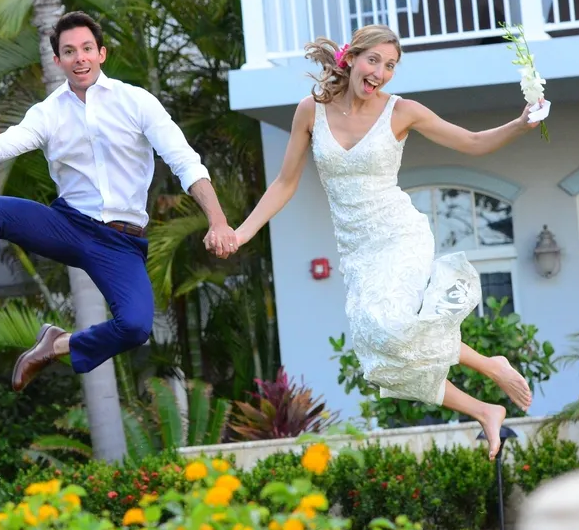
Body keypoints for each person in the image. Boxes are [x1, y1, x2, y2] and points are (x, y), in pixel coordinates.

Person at [229, 25, 542, 458]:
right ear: (352, 59)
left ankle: (492, 367)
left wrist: (521, 124)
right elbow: (284, 184)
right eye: (373, 60)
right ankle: (486, 410)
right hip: (357, 251)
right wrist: (242, 232)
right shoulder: (311, 111)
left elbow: (470, 142)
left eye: (390, 65)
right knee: (383, 356)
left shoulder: (402, 112)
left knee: (389, 325)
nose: (380, 72)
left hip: (399, 234)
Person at [0, 11, 235, 392]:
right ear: (58, 60)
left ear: (101, 54)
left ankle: (57, 343)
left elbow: (185, 162)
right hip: (69, 226)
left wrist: (218, 221)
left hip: (120, 240)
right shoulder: (49, 112)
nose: (79, 57)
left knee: (135, 326)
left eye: (86, 49)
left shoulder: (137, 102)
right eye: (69, 51)